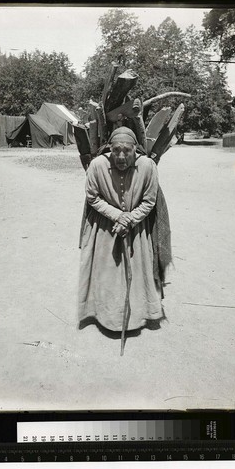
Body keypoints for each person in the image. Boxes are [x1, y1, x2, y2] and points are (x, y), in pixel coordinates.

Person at [78, 126, 170, 333]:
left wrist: (130, 219)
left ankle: (136, 316)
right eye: (116, 150)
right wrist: (118, 216)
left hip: (138, 229)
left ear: (135, 149)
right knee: (106, 273)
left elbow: (149, 201)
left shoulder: (147, 166)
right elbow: (92, 197)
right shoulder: (97, 165)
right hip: (104, 227)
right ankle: (106, 316)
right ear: (109, 148)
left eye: (127, 151)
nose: (121, 156)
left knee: (137, 272)